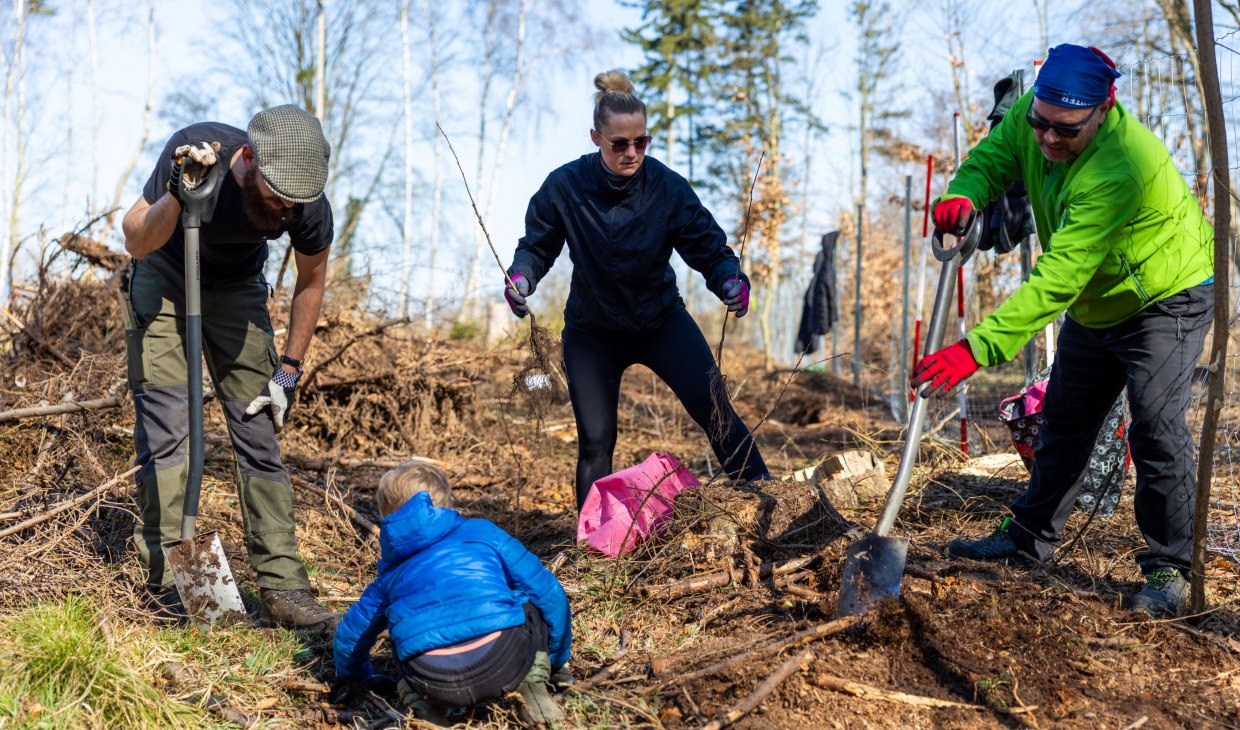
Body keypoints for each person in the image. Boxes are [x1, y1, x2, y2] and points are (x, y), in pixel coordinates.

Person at [913, 44, 1215, 617]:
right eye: (1042, 124)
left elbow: (1058, 279)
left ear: (1104, 108)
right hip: (1100, 300)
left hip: (1165, 297)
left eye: (1066, 130)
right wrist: (963, 193)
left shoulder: (1120, 165)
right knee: (1065, 419)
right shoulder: (1038, 114)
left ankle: (1169, 567)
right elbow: (992, 157)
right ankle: (1029, 538)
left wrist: (978, 347)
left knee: (1153, 421)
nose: (1049, 139)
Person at [504, 69, 771, 509]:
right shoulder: (565, 187)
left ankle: (771, 503)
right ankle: (592, 544)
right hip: (593, 332)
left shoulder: (666, 187)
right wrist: (522, 277)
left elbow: (707, 246)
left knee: (716, 411)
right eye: (620, 144)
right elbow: (537, 245)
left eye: (641, 141)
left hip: (660, 321)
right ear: (596, 137)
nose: (632, 152)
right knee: (595, 441)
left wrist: (729, 278)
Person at [120, 104, 339, 631]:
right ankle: (167, 582)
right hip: (165, 274)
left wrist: (287, 371)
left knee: (258, 433)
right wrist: (178, 193)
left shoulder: (306, 203)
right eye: (275, 195)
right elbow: (134, 236)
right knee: (169, 429)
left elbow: (311, 283)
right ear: (248, 158)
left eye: (294, 201)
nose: (285, 208)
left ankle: (285, 587)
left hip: (237, 290)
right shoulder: (196, 150)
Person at [332, 461, 571, 726]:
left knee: (403, 633)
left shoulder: (389, 575)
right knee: (528, 603)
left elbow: (349, 637)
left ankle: (425, 710)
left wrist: (360, 679)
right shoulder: (484, 532)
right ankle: (533, 688)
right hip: (505, 659)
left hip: (432, 679)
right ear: (447, 502)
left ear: (388, 515)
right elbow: (550, 594)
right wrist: (557, 661)